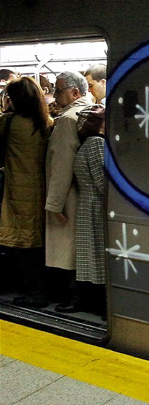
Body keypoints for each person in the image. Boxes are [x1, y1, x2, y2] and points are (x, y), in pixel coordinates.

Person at [0, 77, 52, 308]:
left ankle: (34, 293)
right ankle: (40, 289)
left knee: (23, 245)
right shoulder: (47, 123)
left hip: (16, 191)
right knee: (35, 244)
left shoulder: (9, 123)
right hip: (40, 190)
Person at [45, 71, 91, 312]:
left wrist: (54, 204)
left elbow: (61, 165)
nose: (54, 95)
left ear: (75, 93)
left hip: (69, 195)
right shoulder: (89, 110)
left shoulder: (67, 119)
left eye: (58, 90)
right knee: (79, 246)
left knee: (67, 250)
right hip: (84, 193)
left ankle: (72, 297)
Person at [74, 104, 107, 316]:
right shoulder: (97, 144)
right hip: (96, 206)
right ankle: (101, 305)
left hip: (86, 204)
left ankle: (89, 301)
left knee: (90, 258)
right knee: (99, 257)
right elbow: (102, 181)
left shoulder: (85, 143)